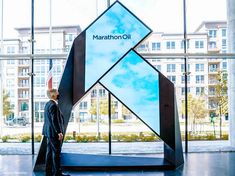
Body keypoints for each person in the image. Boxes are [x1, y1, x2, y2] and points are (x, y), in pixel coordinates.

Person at [42, 89, 70, 176]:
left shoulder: (48, 104)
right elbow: (55, 120)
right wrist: (59, 132)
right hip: (54, 133)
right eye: (58, 93)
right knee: (56, 153)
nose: (59, 94)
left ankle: (48, 171)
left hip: (48, 132)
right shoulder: (53, 105)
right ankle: (58, 173)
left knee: (49, 152)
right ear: (53, 95)